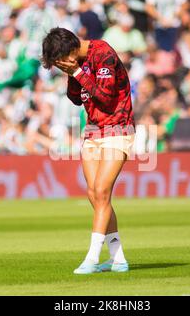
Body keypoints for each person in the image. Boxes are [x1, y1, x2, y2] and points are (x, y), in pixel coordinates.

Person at [42, 27, 135, 274]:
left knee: (103, 190)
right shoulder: (77, 65)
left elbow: (105, 96)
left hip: (118, 128)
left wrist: (77, 71)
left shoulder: (102, 52)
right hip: (93, 131)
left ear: (70, 50)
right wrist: (73, 74)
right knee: (95, 194)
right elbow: (75, 97)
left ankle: (92, 258)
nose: (62, 65)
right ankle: (118, 258)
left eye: (61, 61)